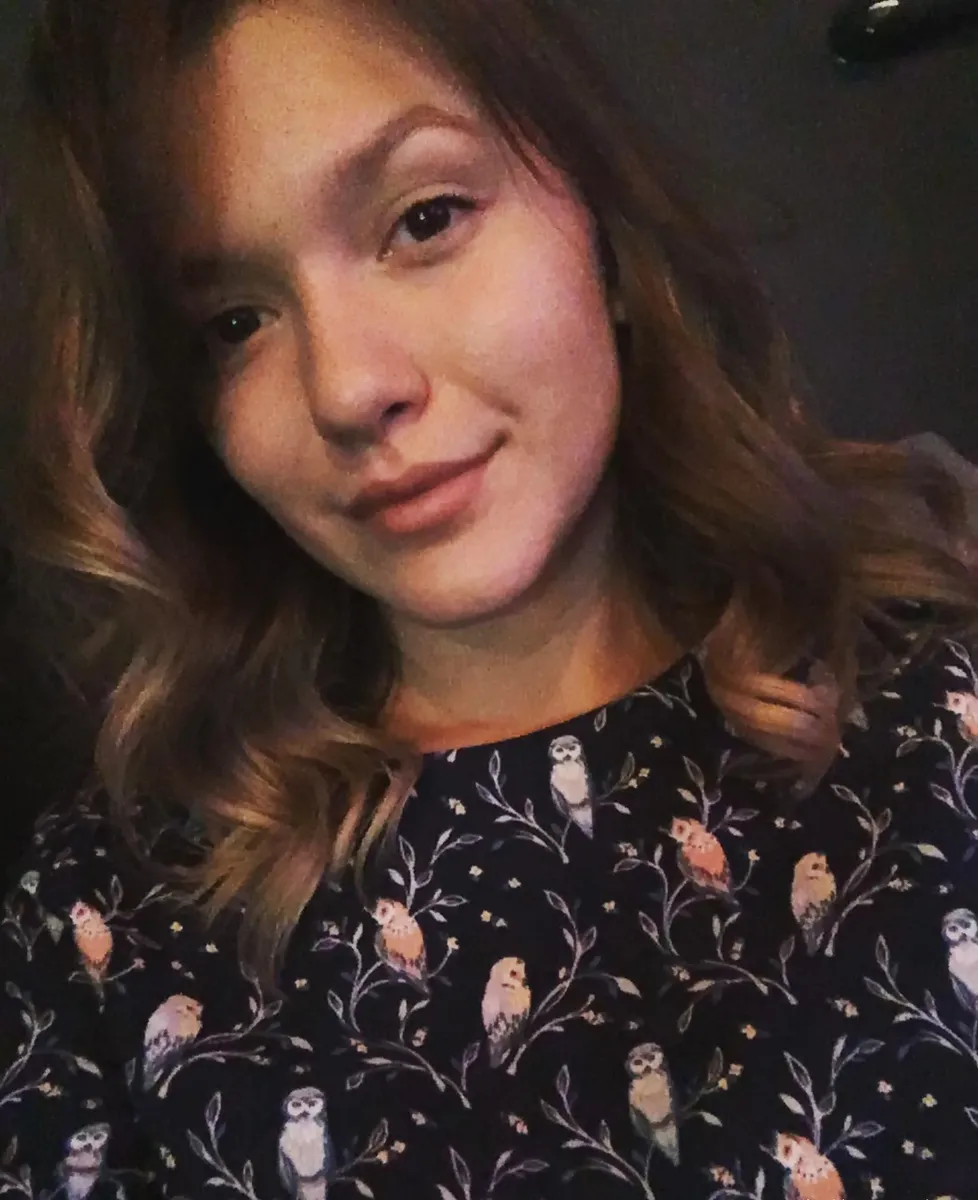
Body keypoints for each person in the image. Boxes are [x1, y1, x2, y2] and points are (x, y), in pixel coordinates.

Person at [1, 0, 977, 1196]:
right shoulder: (110, 921)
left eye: (425, 219)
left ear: (601, 222)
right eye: (233, 324)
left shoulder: (938, 673)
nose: (349, 387)